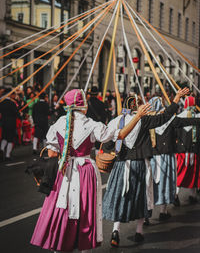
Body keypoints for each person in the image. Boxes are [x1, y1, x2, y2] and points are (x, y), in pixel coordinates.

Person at [30, 88, 150, 253]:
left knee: (62, 208)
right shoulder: (92, 125)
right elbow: (120, 135)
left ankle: (61, 244)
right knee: (85, 211)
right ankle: (83, 246)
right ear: (83, 106)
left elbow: (51, 152)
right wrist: (137, 116)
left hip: (64, 171)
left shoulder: (58, 123)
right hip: (85, 171)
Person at [102, 88, 189, 247]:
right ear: (136, 107)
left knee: (121, 196)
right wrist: (176, 98)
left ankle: (116, 230)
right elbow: (165, 116)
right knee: (141, 197)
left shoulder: (115, 121)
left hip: (121, 166)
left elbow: (107, 145)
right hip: (140, 165)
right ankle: (139, 231)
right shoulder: (143, 120)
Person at [148, 95, 200, 221]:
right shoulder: (170, 120)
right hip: (167, 157)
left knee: (149, 186)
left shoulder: (147, 120)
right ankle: (163, 211)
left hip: (152, 159)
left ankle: (146, 215)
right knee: (165, 183)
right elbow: (186, 123)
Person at [175, 95, 200, 204]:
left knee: (179, 172)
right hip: (194, 150)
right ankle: (192, 194)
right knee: (194, 173)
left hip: (181, 151)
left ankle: (175, 194)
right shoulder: (197, 116)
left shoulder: (179, 117)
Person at [0, 89, 19, 161]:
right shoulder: (12, 103)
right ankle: (7, 155)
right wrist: (19, 114)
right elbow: (16, 113)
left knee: (4, 137)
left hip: (4, 122)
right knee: (10, 139)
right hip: (11, 122)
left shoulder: (1, 103)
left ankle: (1, 149)